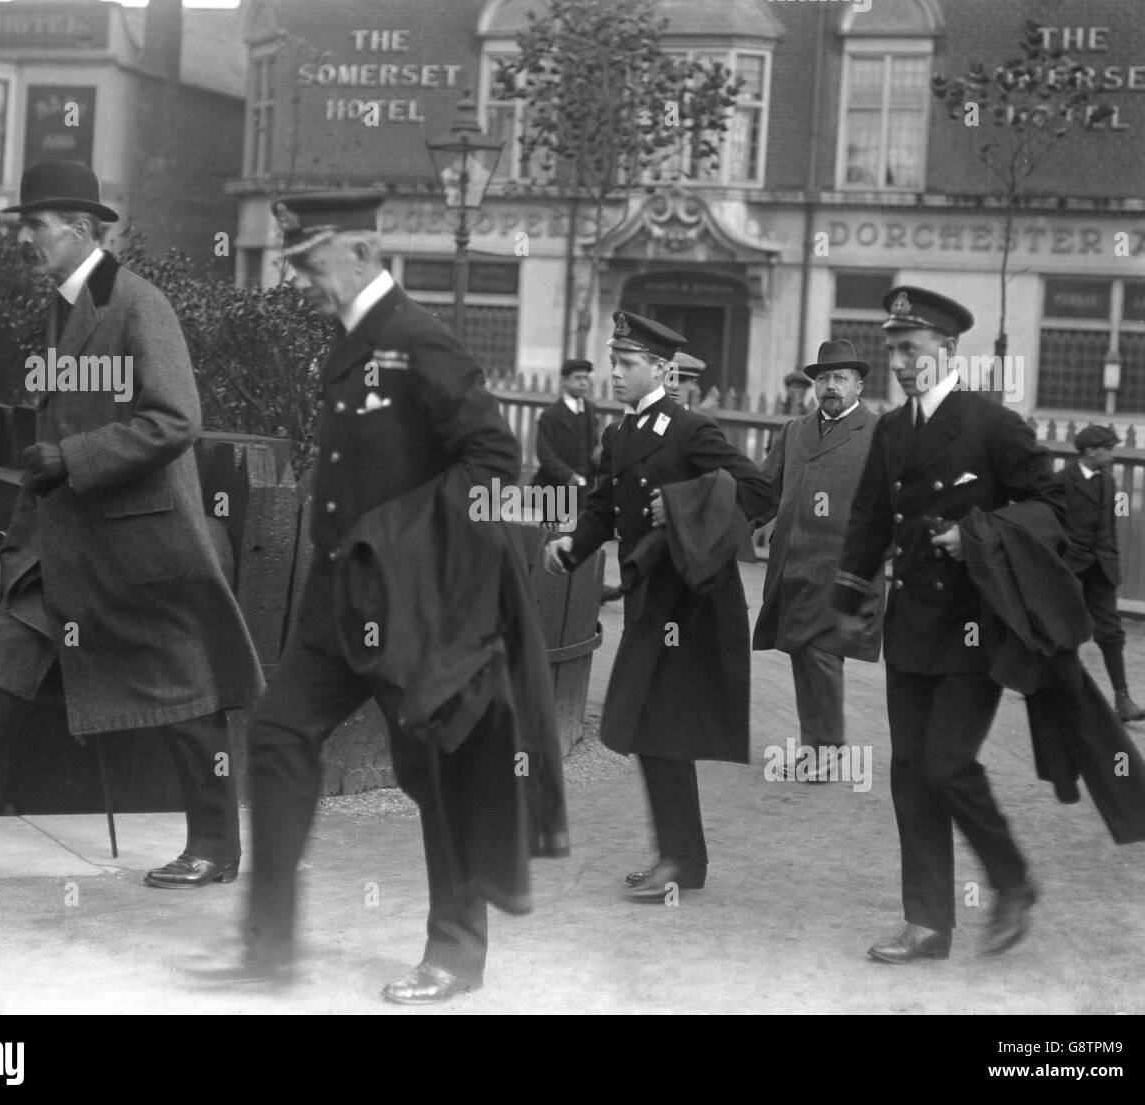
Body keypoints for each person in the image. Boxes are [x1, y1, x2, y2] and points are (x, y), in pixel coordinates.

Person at [204, 189, 566, 1003]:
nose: (298, 279)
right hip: (338, 601)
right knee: (276, 731)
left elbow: (493, 463)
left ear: (363, 252)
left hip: (408, 602)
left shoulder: (416, 339)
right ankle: (267, 944)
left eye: (309, 261)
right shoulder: (352, 340)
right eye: (292, 262)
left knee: (435, 768)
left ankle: (456, 951)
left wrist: (397, 539)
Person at [0, 160, 264, 888]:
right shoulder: (58, 312)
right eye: (23, 224)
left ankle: (216, 845)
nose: (25, 237)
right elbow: (47, 450)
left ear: (82, 230)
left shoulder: (139, 304)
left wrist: (74, 456)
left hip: (144, 543)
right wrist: (26, 538)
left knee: (183, 694)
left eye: (36, 224)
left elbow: (177, 419)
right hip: (61, 550)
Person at [833, 286, 1065, 963]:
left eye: (912, 348)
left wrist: (979, 534)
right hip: (911, 627)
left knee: (947, 762)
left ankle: (1012, 879)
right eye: (893, 351)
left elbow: (1054, 508)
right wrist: (845, 602)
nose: (901, 363)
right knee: (909, 770)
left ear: (948, 349)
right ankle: (928, 922)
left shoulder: (991, 425)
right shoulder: (890, 429)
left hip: (974, 629)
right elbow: (871, 521)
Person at [544, 311, 773, 902]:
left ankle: (680, 861)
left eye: (626, 364)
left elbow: (756, 491)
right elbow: (600, 506)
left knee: (662, 727)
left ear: (662, 370)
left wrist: (680, 506)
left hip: (694, 603)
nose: (613, 374)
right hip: (652, 599)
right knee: (649, 727)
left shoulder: (691, 428)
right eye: (613, 362)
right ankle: (680, 858)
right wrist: (575, 545)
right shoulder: (620, 435)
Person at [752, 340, 884, 782]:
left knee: (822, 653)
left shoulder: (877, 433)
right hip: (793, 564)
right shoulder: (794, 430)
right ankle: (817, 750)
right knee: (804, 654)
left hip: (843, 567)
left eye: (840, 378)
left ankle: (825, 752)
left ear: (858, 385)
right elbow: (764, 488)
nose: (830, 386)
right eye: (823, 378)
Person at [1057, 425, 1145, 723]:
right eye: (1108, 448)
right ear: (1089, 451)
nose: (1112, 453)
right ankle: (1055, 690)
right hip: (1070, 568)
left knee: (1111, 632)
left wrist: (1112, 556)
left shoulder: (1110, 481)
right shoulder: (1061, 482)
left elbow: (1113, 523)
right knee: (1062, 630)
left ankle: (1123, 699)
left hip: (1102, 570)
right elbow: (1048, 526)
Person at [531, 357, 599, 526]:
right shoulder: (551, 415)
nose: (583, 383)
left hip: (584, 488)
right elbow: (545, 455)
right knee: (552, 533)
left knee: (581, 534)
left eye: (586, 378)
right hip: (556, 486)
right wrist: (569, 475)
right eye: (578, 378)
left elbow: (594, 445)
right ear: (564, 382)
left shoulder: (590, 410)